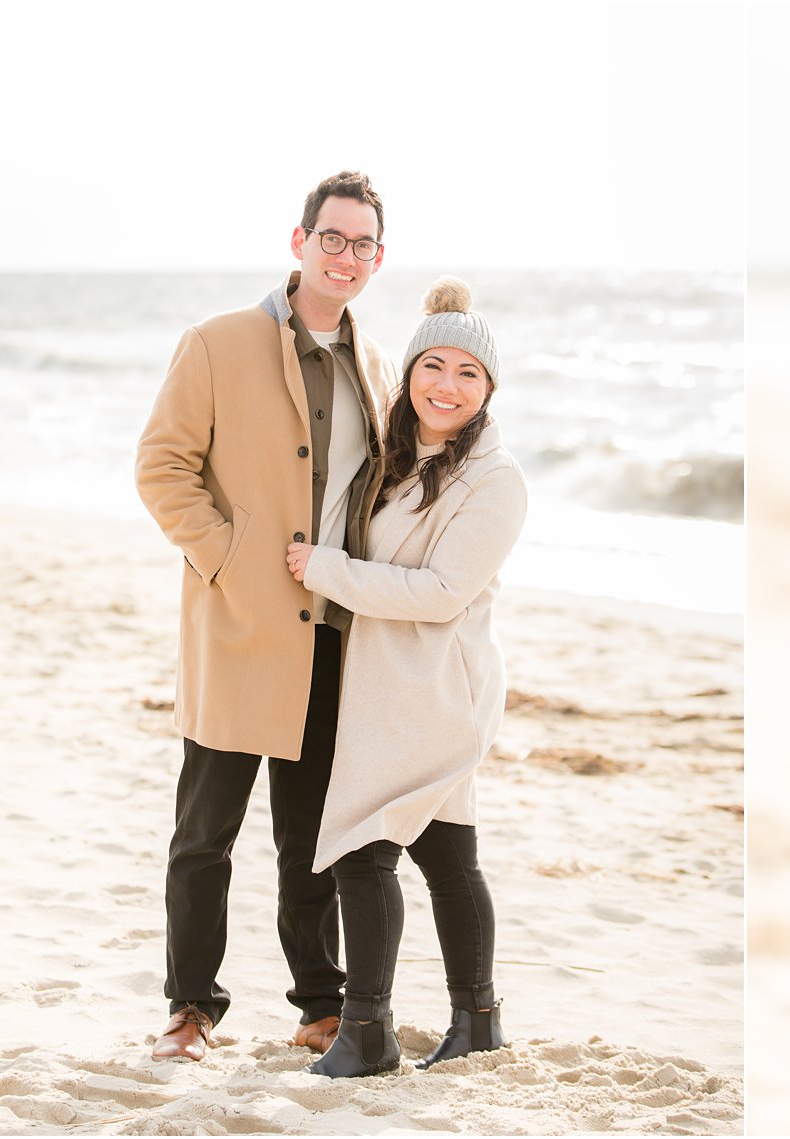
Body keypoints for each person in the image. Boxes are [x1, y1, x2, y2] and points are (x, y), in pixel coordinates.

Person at [135, 171, 394, 1062]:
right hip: (241, 625)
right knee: (205, 832)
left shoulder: (378, 364)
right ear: (299, 241)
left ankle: (320, 1003)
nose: (346, 256)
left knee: (310, 835)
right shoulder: (217, 342)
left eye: (363, 244)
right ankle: (189, 1007)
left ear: (378, 257)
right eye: (333, 237)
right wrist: (225, 560)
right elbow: (162, 466)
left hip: (331, 633)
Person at [283, 277, 528, 1078]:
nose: (446, 386)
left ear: (489, 390)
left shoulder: (495, 480)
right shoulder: (400, 457)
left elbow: (439, 593)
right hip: (393, 683)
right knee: (449, 853)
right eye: (435, 366)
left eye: (468, 373)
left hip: (434, 688)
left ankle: (368, 1029)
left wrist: (325, 570)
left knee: (363, 845)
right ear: (413, 369)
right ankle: (478, 1018)